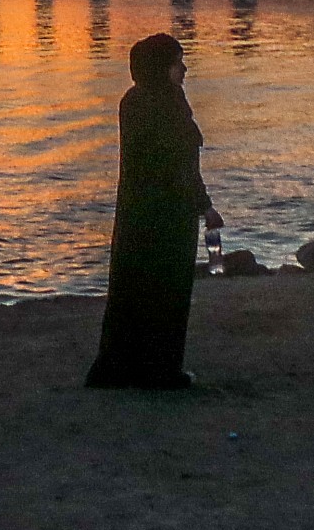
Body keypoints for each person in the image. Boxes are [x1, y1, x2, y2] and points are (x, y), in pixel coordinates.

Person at [86, 33, 222, 389]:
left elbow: (181, 163)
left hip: (145, 212)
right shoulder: (158, 104)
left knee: (138, 291)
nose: (185, 68)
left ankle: (128, 367)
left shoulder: (142, 100)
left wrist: (203, 204)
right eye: (178, 61)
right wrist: (202, 205)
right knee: (166, 291)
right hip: (163, 213)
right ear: (161, 67)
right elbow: (176, 163)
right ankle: (160, 370)